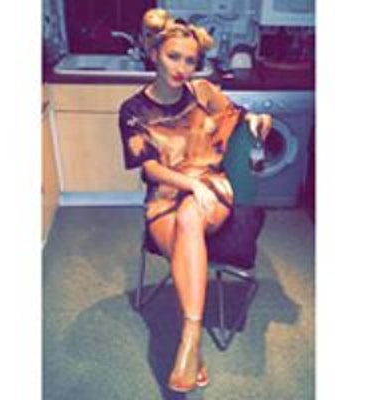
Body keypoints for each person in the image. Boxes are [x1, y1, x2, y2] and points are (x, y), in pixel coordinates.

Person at [118, 8, 272, 393]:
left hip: (210, 188)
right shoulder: (133, 111)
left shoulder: (203, 92)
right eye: (174, 56)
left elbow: (238, 117)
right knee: (183, 246)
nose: (182, 68)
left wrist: (256, 122)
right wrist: (186, 184)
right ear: (154, 53)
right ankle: (196, 345)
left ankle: (188, 339)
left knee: (190, 217)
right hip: (164, 198)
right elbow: (150, 168)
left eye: (190, 60)